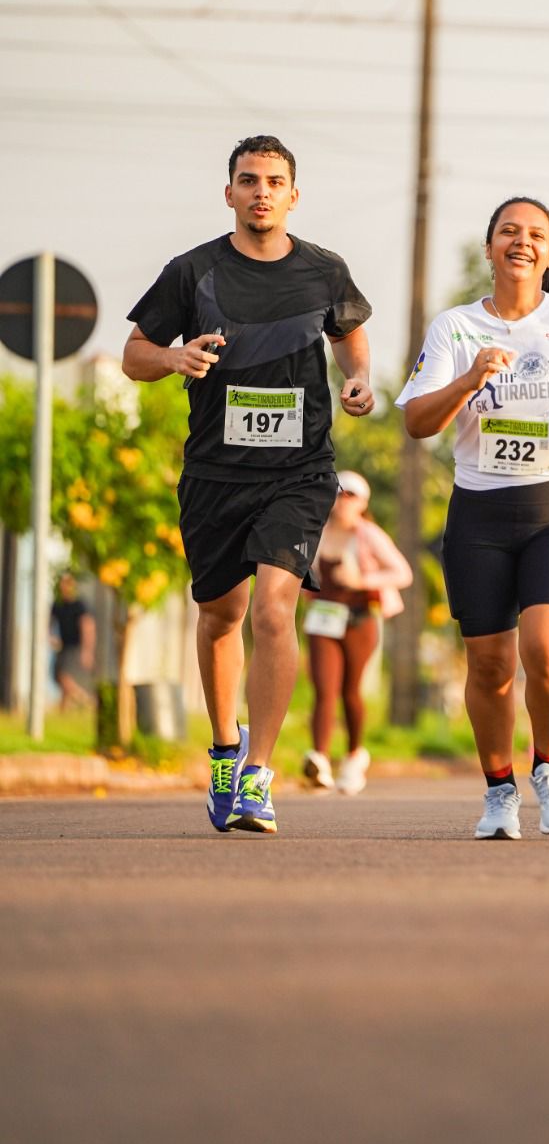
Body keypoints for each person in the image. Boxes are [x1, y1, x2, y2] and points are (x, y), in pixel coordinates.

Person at [122, 135, 374, 835]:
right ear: (229, 192)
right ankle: (225, 749)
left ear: (294, 195)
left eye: (274, 181)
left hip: (299, 471)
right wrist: (174, 358)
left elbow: (349, 334)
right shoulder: (192, 271)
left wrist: (359, 378)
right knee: (221, 615)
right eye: (249, 180)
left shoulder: (324, 270)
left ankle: (259, 775)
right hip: (214, 472)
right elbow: (134, 355)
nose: (261, 191)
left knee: (273, 610)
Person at [395, 195, 549, 840]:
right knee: (490, 666)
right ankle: (499, 791)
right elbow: (417, 422)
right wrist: (468, 380)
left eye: (535, 234)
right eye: (508, 232)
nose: (521, 242)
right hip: (479, 511)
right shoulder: (456, 328)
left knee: (546, 651)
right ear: (489, 248)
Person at [302, 470, 412, 793]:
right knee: (324, 688)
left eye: (350, 496)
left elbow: (402, 573)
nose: (343, 502)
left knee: (350, 691)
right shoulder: (316, 532)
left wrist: (362, 581)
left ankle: (353, 756)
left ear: (363, 503)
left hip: (360, 621)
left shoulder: (370, 535)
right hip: (323, 619)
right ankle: (320, 759)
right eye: (338, 494)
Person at [50, 571, 95, 710]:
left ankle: (88, 700)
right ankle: (63, 709)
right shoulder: (58, 604)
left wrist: (87, 651)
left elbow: (88, 627)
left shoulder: (79, 605)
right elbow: (49, 622)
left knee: (64, 677)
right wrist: (51, 637)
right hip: (63, 646)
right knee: (57, 676)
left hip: (76, 646)